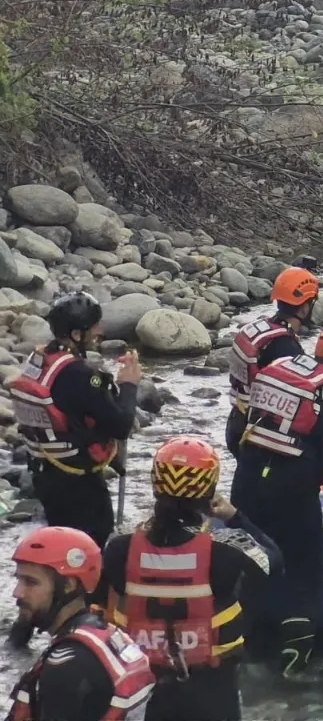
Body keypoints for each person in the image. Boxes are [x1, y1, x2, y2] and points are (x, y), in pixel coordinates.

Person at [99, 438, 280, 721]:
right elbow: (274, 561)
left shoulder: (119, 549)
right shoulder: (226, 550)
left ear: (156, 484)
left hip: (147, 691)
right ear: (208, 492)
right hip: (213, 691)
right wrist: (235, 517)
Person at [232, 322, 323, 678]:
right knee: (305, 570)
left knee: (250, 566)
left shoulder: (274, 368)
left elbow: (238, 427)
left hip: (247, 478)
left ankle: (244, 651)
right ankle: (292, 670)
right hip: (292, 487)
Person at [10, 293, 141, 549]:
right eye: (94, 327)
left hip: (45, 474)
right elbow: (121, 425)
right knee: (91, 547)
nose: (99, 331)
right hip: (78, 484)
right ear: (77, 335)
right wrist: (128, 385)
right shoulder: (80, 374)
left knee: (61, 547)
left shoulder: (39, 360)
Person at [8, 528, 155, 720]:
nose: (17, 593)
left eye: (31, 582)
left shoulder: (68, 664)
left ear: (69, 585)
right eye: (18, 580)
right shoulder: (104, 632)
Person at [224, 267, 317, 458]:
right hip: (257, 434)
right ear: (305, 307)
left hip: (236, 420)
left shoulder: (260, 330)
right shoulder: (286, 347)